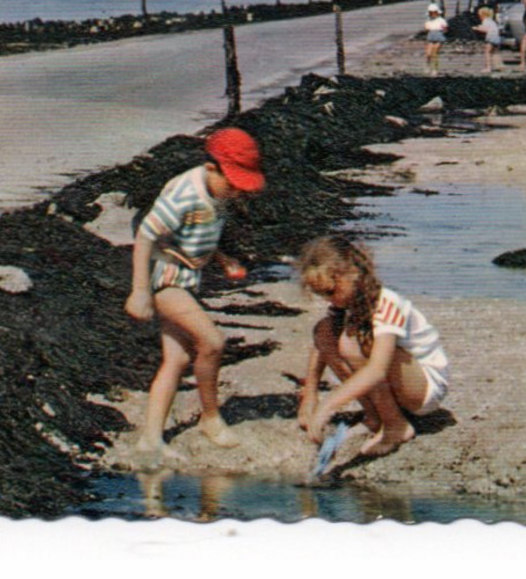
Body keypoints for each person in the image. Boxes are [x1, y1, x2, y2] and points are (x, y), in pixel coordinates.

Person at [125, 127, 264, 465]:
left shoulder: (218, 193)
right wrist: (140, 291)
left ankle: (150, 439)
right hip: (165, 279)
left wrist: (221, 258)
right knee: (213, 342)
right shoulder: (183, 194)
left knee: (176, 360)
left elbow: (199, 232)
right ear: (212, 167)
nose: (234, 192)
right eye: (232, 183)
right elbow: (144, 236)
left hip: (188, 276)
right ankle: (210, 417)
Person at [296, 235, 449, 459]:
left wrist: (328, 406)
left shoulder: (386, 303)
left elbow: (377, 369)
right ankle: (376, 416)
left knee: (351, 346)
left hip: (425, 388)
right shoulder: (348, 302)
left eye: (330, 291)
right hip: (396, 382)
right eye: (321, 295)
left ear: (353, 272)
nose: (329, 300)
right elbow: (321, 344)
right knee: (324, 330)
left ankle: (396, 426)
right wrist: (310, 394)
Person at [474, 5, 500, 73]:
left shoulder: (485, 21)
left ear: (482, 15)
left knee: (487, 52)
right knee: (494, 52)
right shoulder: (491, 21)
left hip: (491, 37)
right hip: (496, 37)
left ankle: (488, 67)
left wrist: (477, 28)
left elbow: (485, 30)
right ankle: (498, 65)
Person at [423, 3, 448, 75]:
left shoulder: (441, 20)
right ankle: (427, 65)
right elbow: (426, 29)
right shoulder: (428, 21)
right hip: (431, 36)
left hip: (439, 36)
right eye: (431, 13)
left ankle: (435, 69)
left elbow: (445, 29)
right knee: (428, 54)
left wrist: (444, 29)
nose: (432, 14)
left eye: (434, 12)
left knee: (435, 53)